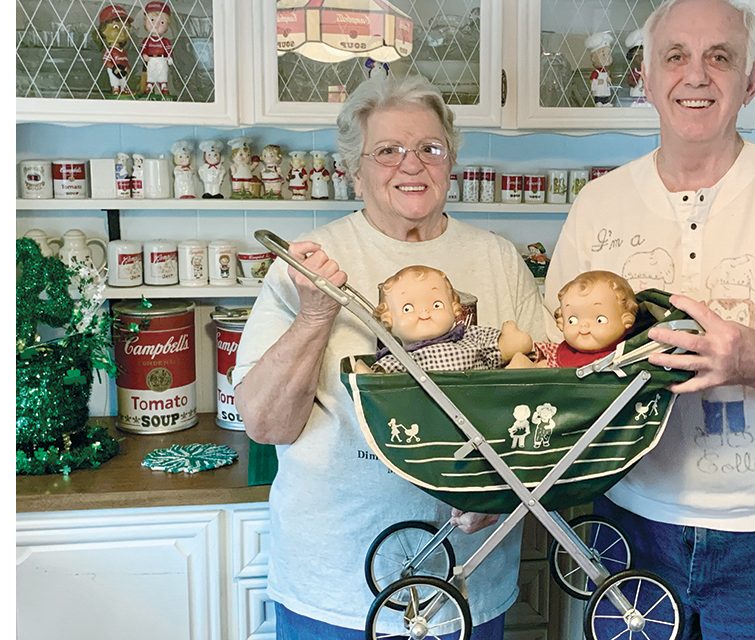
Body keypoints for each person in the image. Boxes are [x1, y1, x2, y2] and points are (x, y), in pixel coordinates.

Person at [542, 0, 755, 637]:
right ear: (645, 79)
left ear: (751, 81)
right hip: (629, 522)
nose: (695, 75)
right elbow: (559, 358)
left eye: (719, 58)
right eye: (675, 56)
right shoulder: (599, 204)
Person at [232, 74, 547, 640]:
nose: (412, 165)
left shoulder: (498, 260)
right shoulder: (310, 262)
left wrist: (502, 494)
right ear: (355, 171)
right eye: (387, 151)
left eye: (430, 148)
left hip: (470, 579)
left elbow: (548, 398)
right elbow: (265, 423)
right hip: (334, 589)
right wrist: (313, 317)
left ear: (450, 164)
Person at [360, 265, 533, 373]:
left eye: (436, 305)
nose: (424, 312)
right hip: (431, 407)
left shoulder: (467, 337)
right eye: (408, 308)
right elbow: (382, 381)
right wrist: (372, 376)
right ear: (388, 320)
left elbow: (489, 344)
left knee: (513, 361)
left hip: (481, 398)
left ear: (455, 309)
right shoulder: (403, 359)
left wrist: (508, 344)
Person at [511, 270, 638, 369]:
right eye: (572, 320)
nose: (583, 326)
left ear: (626, 320)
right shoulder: (557, 354)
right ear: (561, 323)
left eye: (600, 319)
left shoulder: (628, 356)